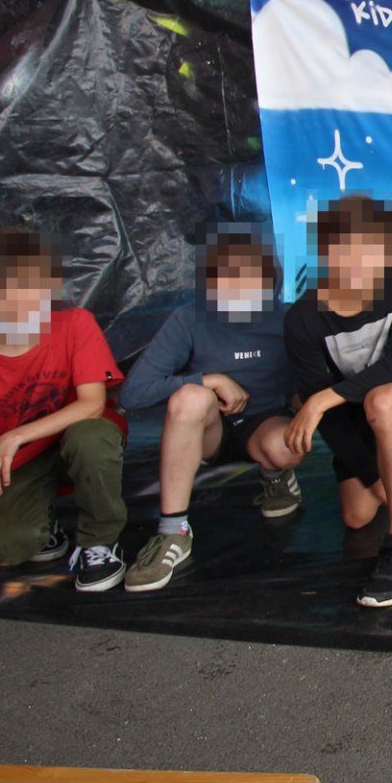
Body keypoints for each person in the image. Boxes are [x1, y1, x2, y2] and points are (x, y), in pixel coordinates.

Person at [0, 230, 128, 591]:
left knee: (92, 435)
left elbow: (93, 404)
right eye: (8, 290)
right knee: (4, 548)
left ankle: (99, 541)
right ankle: (43, 524)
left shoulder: (75, 324)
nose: (25, 299)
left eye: (33, 286)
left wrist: (14, 436)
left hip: (76, 439)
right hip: (19, 465)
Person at [284, 194, 392, 609]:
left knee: (383, 402)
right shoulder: (302, 318)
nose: (359, 261)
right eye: (345, 248)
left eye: (372, 249)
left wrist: (319, 400)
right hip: (354, 402)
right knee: (357, 516)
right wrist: (372, 474)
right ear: (324, 251)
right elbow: (331, 420)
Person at [116, 229, 304, 592]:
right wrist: (209, 379)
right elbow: (133, 393)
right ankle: (173, 532)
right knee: (191, 397)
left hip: (265, 425)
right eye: (228, 274)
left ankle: (276, 477)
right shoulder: (190, 319)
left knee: (287, 444)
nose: (240, 284)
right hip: (209, 432)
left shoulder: (289, 318)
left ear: (270, 278)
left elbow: (313, 382)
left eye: (251, 273)